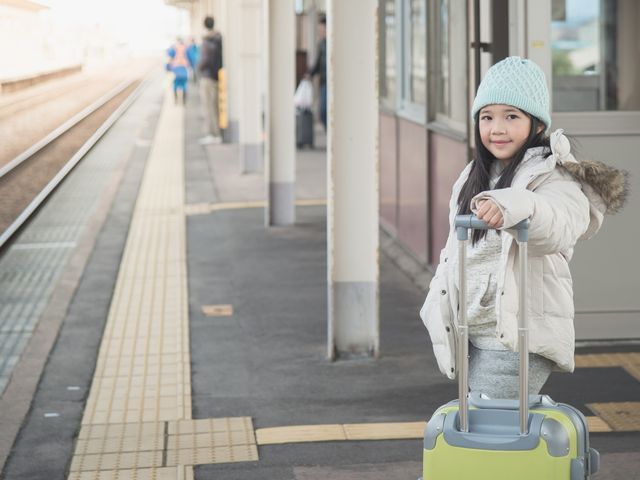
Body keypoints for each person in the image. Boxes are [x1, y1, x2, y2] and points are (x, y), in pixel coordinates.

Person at [420, 56, 628, 400]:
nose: (497, 128)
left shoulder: (552, 174)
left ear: (538, 125)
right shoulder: (472, 176)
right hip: (472, 332)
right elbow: (454, 252)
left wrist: (514, 206)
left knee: (493, 424)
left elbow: (559, 222)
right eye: (487, 117)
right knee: (487, 425)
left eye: (511, 117)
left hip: (520, 334)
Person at [198, 15, 224, 145]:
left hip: (207, 77)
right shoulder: (218, 38)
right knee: (214, 105)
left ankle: (212, 134)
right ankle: (216, 133)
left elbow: (204, 61)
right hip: (216, 76)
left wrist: (199, 68)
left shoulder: (207, 41)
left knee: (209, 106)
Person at [307, 14, 327, 131]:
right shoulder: (322, 44)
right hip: (324, 82)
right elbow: (318, 62)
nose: (320, 32)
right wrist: (310, 74)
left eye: (322, 29)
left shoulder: (334, 43)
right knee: (322, 111)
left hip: (335, 83)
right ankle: (329, 130)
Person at [167, 38, 190, 105]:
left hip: (176, 69)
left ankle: (176, 101)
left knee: (175, 85)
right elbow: (190, 58)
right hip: (184, 68)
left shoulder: (174, 48)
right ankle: (184, 102)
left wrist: (167, 68)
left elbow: (169, 57)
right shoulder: (186, 48)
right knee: (184, 85)